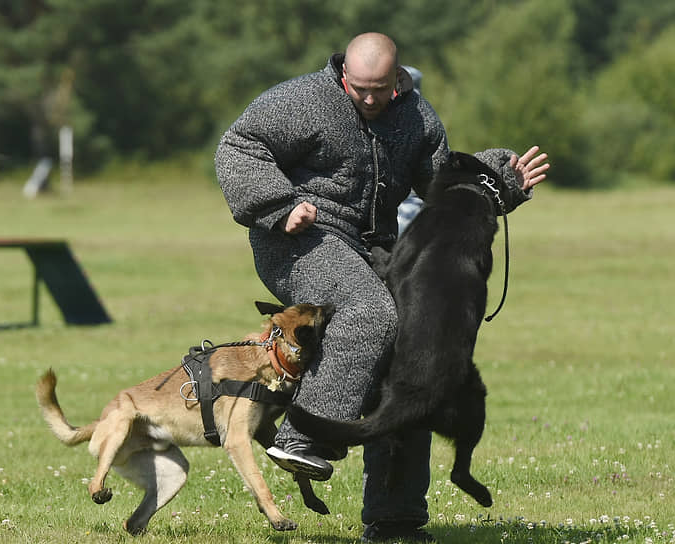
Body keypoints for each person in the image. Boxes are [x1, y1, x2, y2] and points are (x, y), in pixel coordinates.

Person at [215, 32, 549, 543]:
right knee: (370, 312)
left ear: (399, 80)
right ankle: (303, 438)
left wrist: (502, 182)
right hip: (300, 240)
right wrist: (280, 205)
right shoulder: (301, 101)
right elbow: (239, 146)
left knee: (414, 367)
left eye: (381, 89)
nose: (370, 99)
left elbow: (441, 185)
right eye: (360, 88)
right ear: (343, 74)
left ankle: (395, 521)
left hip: (371, 247)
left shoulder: (417, 117)